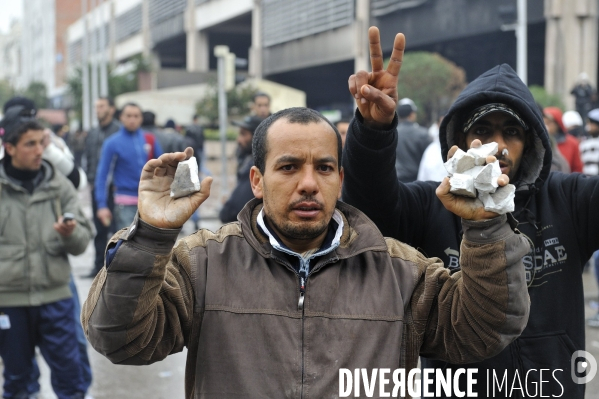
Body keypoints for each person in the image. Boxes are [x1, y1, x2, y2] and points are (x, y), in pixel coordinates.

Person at [81, 102, 530, 397]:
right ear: (257, 181)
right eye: (289, 167)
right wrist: (149, 238)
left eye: (324, 167)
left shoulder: (401, 273)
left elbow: (483, 330)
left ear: (340, 179)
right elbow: (119, 339)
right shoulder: (201, 264)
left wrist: (487, 230)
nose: (309, 183)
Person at [342, 27, 599, 398]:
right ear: (461, 142)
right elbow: (369, 209)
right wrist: (373, 130)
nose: (499, 145)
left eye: (512, 131)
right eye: (483, 129)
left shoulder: (569, 199)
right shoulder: (432, 205)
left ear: (531, 144)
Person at [0, 105, 92, 399]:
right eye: (30, 144)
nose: (39, 150)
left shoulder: (59, 187)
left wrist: (69, 234)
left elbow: (81, 244)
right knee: (17, 382)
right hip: (9, 303)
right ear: (9, 148)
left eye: (42, 143)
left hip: (56, 299)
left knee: (71, 380)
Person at [95, 103, 163, 231]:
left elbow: (164, 169)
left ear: (141, 118)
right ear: (121, 117)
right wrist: (102, 205)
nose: (132, 119)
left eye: (136, 116)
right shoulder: (112, 143)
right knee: (130, 247)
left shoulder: (149, 139)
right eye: (128, 115)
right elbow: (103, 175)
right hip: (124, 204)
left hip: (149, 203)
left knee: (151, 246)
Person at [85, 96, 120, 278]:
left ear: (111, 109)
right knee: (99, 230)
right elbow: (89, 159)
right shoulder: (92, 133)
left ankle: (116, 266)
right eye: (96, 106)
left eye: (101, 106)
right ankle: (98, 266)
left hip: (115, 190)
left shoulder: (119, 132)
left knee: (117, 229)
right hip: (96, 188)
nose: (98, 109)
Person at [219, 115, 264, 223]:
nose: (239, 140)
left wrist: (228, 207)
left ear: (256, 138)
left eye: (244, 134)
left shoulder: (256, 166)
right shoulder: (247, 160)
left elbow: (232, 211)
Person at [394, 98, 432, 182]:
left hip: (395, 182)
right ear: (411, 115)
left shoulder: (391, 134)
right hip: (416, 182)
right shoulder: (422, 134)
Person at [543, 106, 583, 172]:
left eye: (549, 122)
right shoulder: (540, 142)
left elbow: (578, 169)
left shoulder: (572, 142)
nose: (546, 126)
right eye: (544, 122)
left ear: (557, 124)